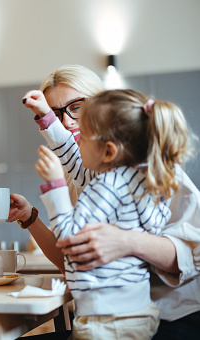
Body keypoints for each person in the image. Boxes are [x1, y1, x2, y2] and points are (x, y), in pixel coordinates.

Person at [10, 65, 200, 339]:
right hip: (112, 314)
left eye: (78, 108)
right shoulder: (89, 171)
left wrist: (126, 241)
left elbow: (194, 253)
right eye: (55, 113)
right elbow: (73, 256)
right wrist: (29, 216)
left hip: (171, 316)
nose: (65, 123)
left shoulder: (158, 175)